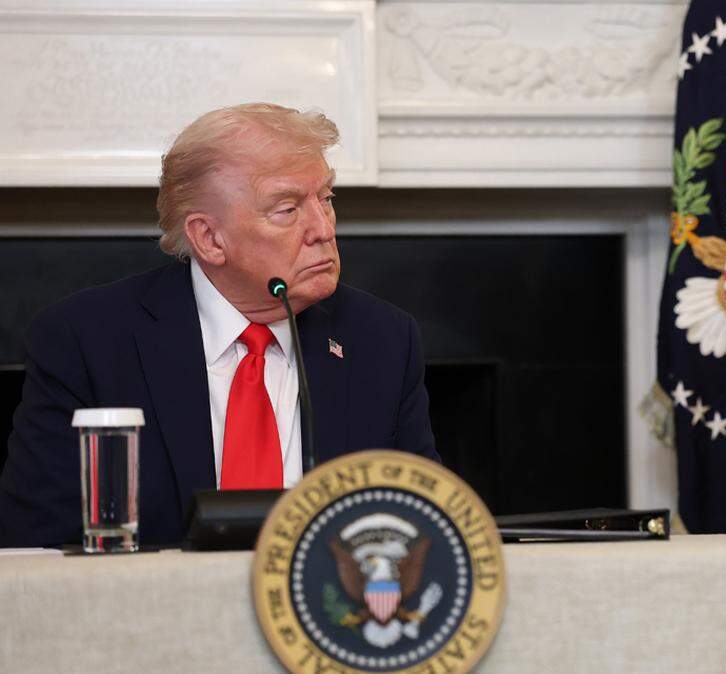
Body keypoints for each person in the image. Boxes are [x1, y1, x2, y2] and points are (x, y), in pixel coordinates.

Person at [0, 104, 438, 547]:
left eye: (326, 199)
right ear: (209, 239)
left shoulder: (381, 340)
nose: (323, 229)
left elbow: (423, 525)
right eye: (287, 209)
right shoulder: (87, 342)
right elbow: (36, 548)